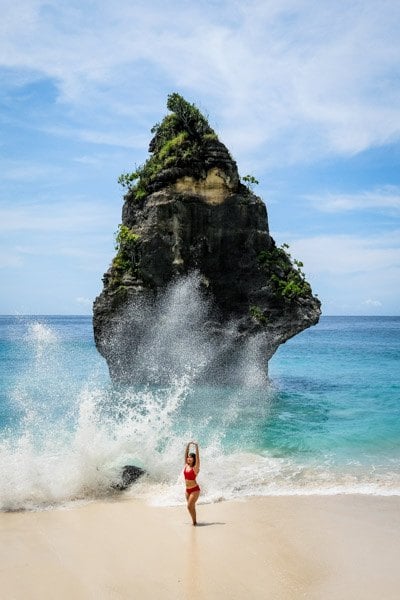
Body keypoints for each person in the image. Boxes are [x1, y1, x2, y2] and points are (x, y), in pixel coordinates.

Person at [183, 441, 200, 525]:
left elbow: (198, 459)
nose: (188, 458)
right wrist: (188, 445)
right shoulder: (186, 465)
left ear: (194, 459)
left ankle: (194, 522)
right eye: (188, 457)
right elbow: (185, 455)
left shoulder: (195, 468)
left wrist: (196, 447)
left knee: (189, 506)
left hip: (194, 490)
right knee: (191, 506)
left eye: (190, 457)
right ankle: (194, 521)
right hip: (187, 490)